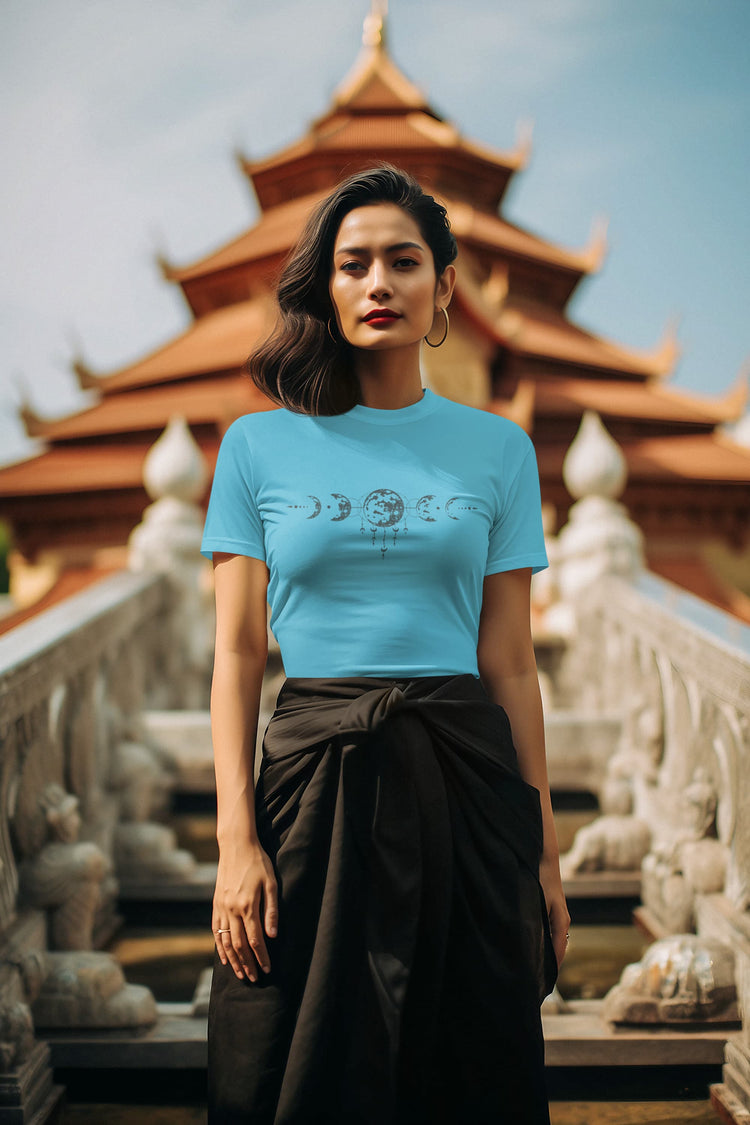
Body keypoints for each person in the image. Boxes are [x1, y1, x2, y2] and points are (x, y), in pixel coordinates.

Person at [200, 164, 570, 1125]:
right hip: (312, 776)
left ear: (444, 287)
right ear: (326, 286)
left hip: (464, 776)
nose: (379, 283)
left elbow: (512, 664)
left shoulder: (499, 450)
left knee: (467, 1055)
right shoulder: (254, 448)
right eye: (354, 263)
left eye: (404, 262)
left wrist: (544, 852)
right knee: (288, 1053)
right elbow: (238, 655)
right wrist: (237, 841)